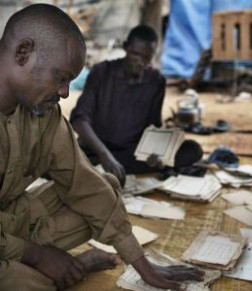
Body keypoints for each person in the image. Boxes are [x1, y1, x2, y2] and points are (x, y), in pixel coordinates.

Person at [0, 4, 204, 291]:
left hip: (11, 223)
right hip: (14, 243)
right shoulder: (100, 76)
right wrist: (36, 254)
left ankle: (50, 270)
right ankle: (63, 270)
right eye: (61, 78)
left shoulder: (43, 113)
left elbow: (84, 183)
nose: (65, 93)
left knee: (104, 188)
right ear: (23, 52)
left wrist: (142, 264)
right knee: (20, 282)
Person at [70, 25, 203, 187]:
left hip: (131, 153)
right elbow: (78, 119)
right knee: (63, 156)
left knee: (192, 150)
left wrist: (157, 155)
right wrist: (105, 155)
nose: (141, 62)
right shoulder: (101, 72)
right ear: (126, 47)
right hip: (96, 151)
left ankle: (106, 170)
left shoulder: (156, 82)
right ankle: (105, 167)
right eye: (135, 54)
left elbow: (153, 127)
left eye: (147, 58)